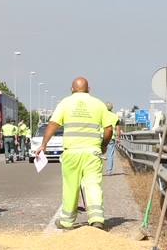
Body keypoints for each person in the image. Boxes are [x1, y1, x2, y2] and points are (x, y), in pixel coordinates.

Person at [38, 77, 116, 230]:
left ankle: (67, 221)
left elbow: (53, 124)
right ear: (89, 89)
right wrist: (103, 146)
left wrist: (44, 144)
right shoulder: (98, 104)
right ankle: (97, 219)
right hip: (92, 153)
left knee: (70, 186)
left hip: (72, 153)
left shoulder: (65, 103)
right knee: (93, 184)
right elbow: (109, 129)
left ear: (72, 89)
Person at [104, 102, 117, 175]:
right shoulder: (115, 116)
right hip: (111, 137)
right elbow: (118, 128)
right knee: (110, 154)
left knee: (97, 154)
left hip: (102, 137)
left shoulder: (101, 115)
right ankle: (109, 171)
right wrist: (118, 137)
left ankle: (96, 170)